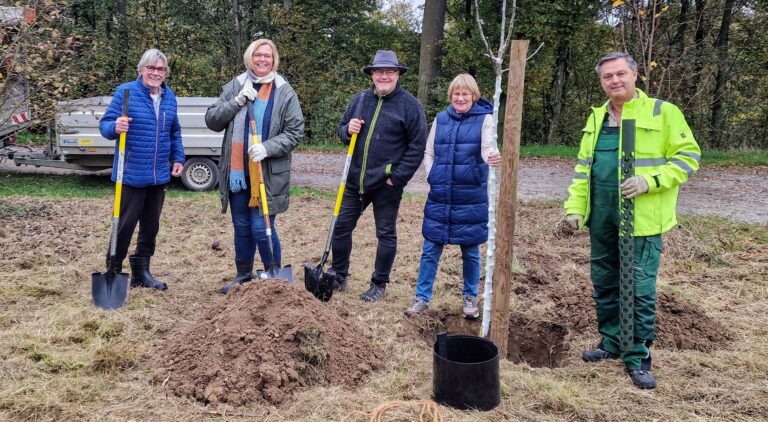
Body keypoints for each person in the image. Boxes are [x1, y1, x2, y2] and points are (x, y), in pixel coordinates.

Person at [564, 52, 701, 389]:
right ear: (601, 81)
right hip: (603, 219)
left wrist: (649, 181)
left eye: (621, 74)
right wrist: (575, 207)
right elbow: (584, 170)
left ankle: (637, 357)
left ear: (635, 75)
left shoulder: (662, 112)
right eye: (607, 76)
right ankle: (610, 343)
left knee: (638, 290)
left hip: (643, 220)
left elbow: (689, 158)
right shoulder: (597, 118)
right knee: (606, 283)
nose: (615, 81)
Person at [205, 39, 304, 294]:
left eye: (268, 56)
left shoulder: (284, 91)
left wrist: (267, 148)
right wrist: (236, 102)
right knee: (242, 226)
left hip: (267, 173)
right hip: (238, 172)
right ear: (250, 58)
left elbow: (295, 131)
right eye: (258, 55)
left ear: (274, 60)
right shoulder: (235, 86)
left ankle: (275, 277)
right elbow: (212, 120)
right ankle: (243, 276)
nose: (262, 59)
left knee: (261, 226)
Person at [330, 50, 427, 302]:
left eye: (389, 72)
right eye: (379, 71)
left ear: (397, 75)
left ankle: (378, 283)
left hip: (386, 184)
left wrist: (396, 179)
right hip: (354, 181)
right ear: (372, 74)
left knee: (385, 233)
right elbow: (342, 131)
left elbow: (417, 147)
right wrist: (347, 130)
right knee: (340, 228)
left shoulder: (410, 106)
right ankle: (339, 275)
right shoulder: (360, 100)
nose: (384, 76)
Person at [403, 74, 500, 319]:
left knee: (470, 250)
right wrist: (432, 176)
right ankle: (422, 298)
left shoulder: (485, 119)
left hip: (470, 197)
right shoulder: (441, 119)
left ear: (473, 95)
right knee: (430, 248)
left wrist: (491, 157)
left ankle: (470, 298)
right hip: (441, 194)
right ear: (451, 96)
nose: (460, 98)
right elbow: (429, 151)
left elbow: (488, 148)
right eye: (456, 94)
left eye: (465, 94)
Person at [99, 48, 185, 291]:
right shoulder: (126, 92)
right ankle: (114, 270)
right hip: (131, 174)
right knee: (124, 225)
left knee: (151, 226)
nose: (155, 73)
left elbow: (174, 131)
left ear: (165, 73)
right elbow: (104, 126)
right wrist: (115, 126)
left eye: (160, 69)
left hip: (158, 175)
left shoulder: (169, 97)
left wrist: (178, 156)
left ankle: (141, 272)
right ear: (141, 70)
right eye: (151, 68)